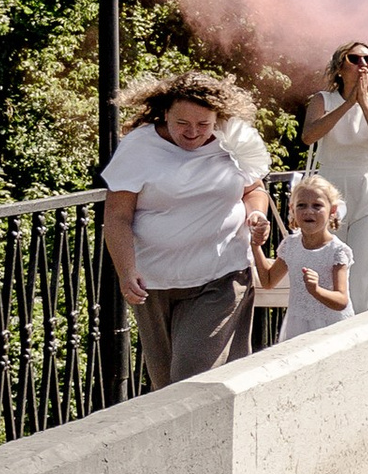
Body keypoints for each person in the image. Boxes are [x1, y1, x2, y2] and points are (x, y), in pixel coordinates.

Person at [101, 71, 272, 385]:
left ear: (217, 118)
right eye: (182, 123)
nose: (193, 133)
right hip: (154, 283)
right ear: (166, 114)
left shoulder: (236, 137)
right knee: (166, 387)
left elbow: (254, 189)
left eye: (204, 124)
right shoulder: (140, 146)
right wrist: (126, 270)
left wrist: (256, 217)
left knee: (191, 379)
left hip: (222, 275)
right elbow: (116, 216)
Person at [298, 43, 368, 270]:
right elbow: (309, 136)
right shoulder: (322, 100)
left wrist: (363, 104)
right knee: (331, 264)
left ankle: (360, 307)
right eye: (355, 59)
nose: (363, 64)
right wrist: (348, 103)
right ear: (339, 68)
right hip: (331, 186)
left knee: (361, 268)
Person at [263, 174, 355, 337]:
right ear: (292, 209)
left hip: (330, 327)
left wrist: (316, 290)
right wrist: (255, 246)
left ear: (332, 210)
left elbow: (342, 301)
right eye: (302, 205)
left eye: (317, 206)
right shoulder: (290, 245)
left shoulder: (337, 251)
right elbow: (269, 281)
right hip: (297, 325)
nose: (308, 211)